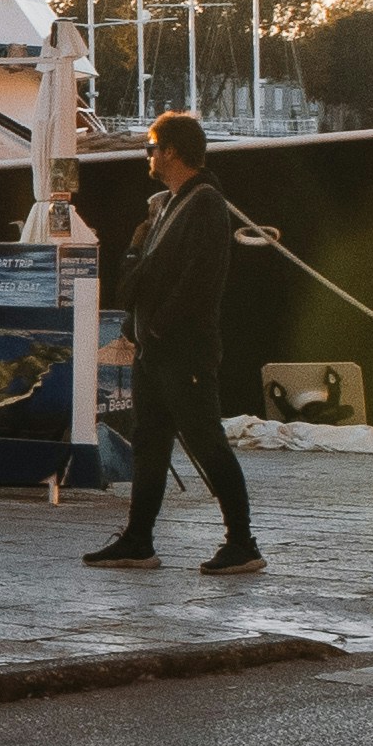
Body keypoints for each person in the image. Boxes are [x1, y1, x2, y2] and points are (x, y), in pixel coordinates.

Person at [85, 109, 269, 575]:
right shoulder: (166, 206)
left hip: (181, 347)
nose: (147, 156)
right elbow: (136, 282)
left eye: (151, 147)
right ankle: (138, 540)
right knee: (149, 442)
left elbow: (200, 279)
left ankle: (242, 543)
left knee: (206, 440)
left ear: (170, 151)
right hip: (155, 348)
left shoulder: (204, 202)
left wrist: (162, 326)